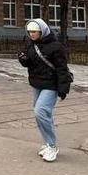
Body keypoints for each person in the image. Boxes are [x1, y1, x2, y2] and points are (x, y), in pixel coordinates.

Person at [17, 18, 72, 162]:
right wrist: (22, 58)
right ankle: (48, 143)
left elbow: (62, 68)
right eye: (29, 32)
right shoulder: (30, 44)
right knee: (42, 115)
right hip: (37, 84)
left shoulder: (56, 46)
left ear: (42, 31)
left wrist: (63, 89)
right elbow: (28, 63)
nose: (31, 34)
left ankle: (52, 146)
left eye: (34, 31)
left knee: (40, 111)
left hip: (51, 85)